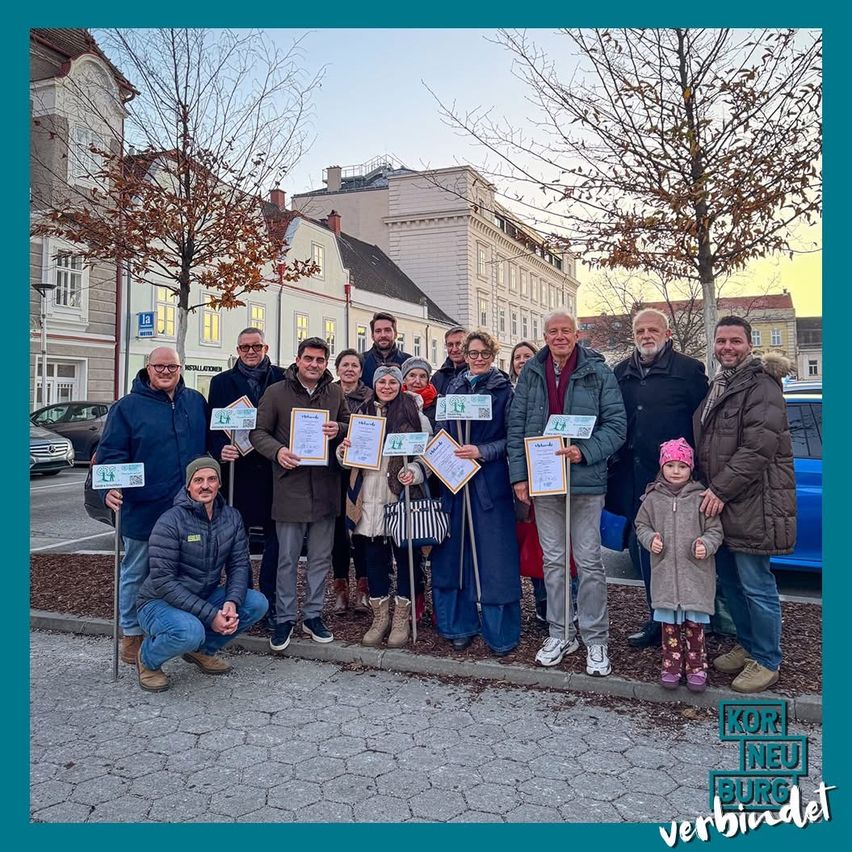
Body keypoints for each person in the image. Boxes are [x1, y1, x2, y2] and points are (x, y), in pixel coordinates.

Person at [507, 311, 626, 676]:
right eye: (552, 332)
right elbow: (517, 425)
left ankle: (595, 639)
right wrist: (520, 477)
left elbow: (617, 425)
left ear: (576, 334)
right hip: (544, 480)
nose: (559, 337)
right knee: (553, 561)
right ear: (544, 336)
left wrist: (585, 451)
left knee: (589, 561)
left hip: (586, 480)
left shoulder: (598, 371)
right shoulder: (531, 373)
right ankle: (560, 632)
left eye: (565, 331)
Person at [694, 316, 796, 694]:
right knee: (732, 582)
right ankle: (749, 646)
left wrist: (719, 489)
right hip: (725, 503)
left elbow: (758, 447)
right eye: (721, 341)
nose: (727, 347)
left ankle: (768, 660)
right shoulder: (721, 383)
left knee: (756, 584)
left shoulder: (762, 384)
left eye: (735, 341)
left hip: (752, 501)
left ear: (749, 345)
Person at [98, 346, 207, 667]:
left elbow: (209, 445)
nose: (165, 372)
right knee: (136, 571)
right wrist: (110, 487)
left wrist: (225, 451)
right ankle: (132, 634)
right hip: (143, 508)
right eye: (158, 366)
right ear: (147, 368)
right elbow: (111, 454)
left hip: (188, 510)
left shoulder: (195, 402)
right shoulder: (127, 407)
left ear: (180, 368)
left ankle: (188, 634)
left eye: (171, 367)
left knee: (189, 574)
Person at [606, 309, 708, 649]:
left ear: (667, 334)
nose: (646, 335)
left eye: (653, 329)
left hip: (675, 482)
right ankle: (657, 621)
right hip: (633, 480)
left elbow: (702, 425)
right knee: (644, 551)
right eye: (640, 330)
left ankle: (691, 625)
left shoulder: (688, 371)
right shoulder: (620, 372)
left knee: (680, 555)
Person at [250, 337, 350, 652]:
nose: (314, 365)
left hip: (325, 487)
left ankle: (313, 615)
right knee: (287, 559)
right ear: (298, 359)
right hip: (289, 487)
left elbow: (349, 423)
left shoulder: (335, 392)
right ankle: (284, 618)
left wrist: (340, 429)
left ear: (326, 364)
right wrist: (277, 452)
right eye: (309, 359)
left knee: (320, 558)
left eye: (320, 360)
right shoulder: (276, 393)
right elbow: (258, 433)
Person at [134, 458, 269, 692]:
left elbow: (238, 564)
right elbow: (163, 581)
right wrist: (210, 615)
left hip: (201, 596)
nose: (205, 486)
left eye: (211, 479)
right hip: (158, 602)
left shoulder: (231, 517)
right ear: (188, 486)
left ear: (219, 484)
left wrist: (231, 602)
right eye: (198, 480)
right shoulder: (170, 521)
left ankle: (200, 651)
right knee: (190, 631)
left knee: (256, 603)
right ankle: (147, 659)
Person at [430, 330, 522, 656]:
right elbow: (441, 430)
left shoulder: (504, 390)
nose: (478, 358)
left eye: (484, 353)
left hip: (489, 483)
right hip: (455, 482)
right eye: (473, 353)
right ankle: (458, 624)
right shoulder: (452, 387)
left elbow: (512, 438)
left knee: (494, 557)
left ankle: (500, 630)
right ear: (464, 355)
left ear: (493, 355)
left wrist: (481, 450)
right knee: (454, 555)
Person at [338, 365, 433, 647]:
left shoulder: (415, 415)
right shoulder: (362, 415)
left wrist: (415, 472)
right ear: (375, 384)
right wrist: (343, 451)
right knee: (374, 560)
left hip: (400, 497)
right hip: (367, 497)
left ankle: (401, 618)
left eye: (393, 382)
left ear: (400, 385)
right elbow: (348, 459)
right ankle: (380, 617)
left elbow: (428, 456)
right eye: (383, 382)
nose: (387, 386)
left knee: (405, 558)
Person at [207, 328, 285, 624]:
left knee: (274, 540)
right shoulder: (221, 382)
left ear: (265, 347)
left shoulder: (281, 377)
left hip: (273, 471)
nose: (250, 352)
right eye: (244, 347)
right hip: (236, 473)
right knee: (237, 543)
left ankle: (269, 599)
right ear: (237, 350)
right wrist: (219, 451)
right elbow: (213, 426)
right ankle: (245, 598)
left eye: (256, 346)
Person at [633, 438, 723, 693]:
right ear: (662, 467)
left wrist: (706, 543)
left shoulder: (701, 498)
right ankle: (671, 665)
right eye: (670, 465)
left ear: (690, 468)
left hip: (695, 577)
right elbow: (642, 525)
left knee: (695, 627)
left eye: (681, 466)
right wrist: (651, 540)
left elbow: (715, 530)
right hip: (665, 578)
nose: (675, 471)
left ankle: (697, 667)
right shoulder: (652, 499)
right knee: (669, 627)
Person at [509, 340, 550, 626]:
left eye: (527, 356)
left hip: (546, 472)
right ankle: (540, 601)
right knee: (530, 544)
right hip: (517, 476)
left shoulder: (546, 389)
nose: (522, 360)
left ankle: (556, 604)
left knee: (549, 543)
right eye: (517, 357)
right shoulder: (509, 393)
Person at [330, 349, 373, 615]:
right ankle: (340, 589)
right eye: (344, 364)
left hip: (362, 471)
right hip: (332, 470)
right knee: (337, 532)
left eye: (354, 365)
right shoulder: (329, 393)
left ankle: (363, 589)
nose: (349, 369)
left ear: (360, 370)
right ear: (337, 369)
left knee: (361, 530)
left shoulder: (370, 396)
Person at [361, 312, 412, 389]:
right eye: (378, 331)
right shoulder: (361, 361)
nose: (383, 335)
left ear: (395, 334)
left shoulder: (408, 362)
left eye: (387, 330)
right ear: (372, 336)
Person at [401, 356, 438, 426]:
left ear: (428, 381)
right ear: (404, 379)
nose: (417, 381)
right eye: (412, 375)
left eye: (422, 376)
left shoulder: (438, 404)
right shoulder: (394, 402)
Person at [431, 326, 469, 394]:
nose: (454, 349)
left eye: (459, 344)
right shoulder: (438, 377)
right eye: (450, 345)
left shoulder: (475, 373)